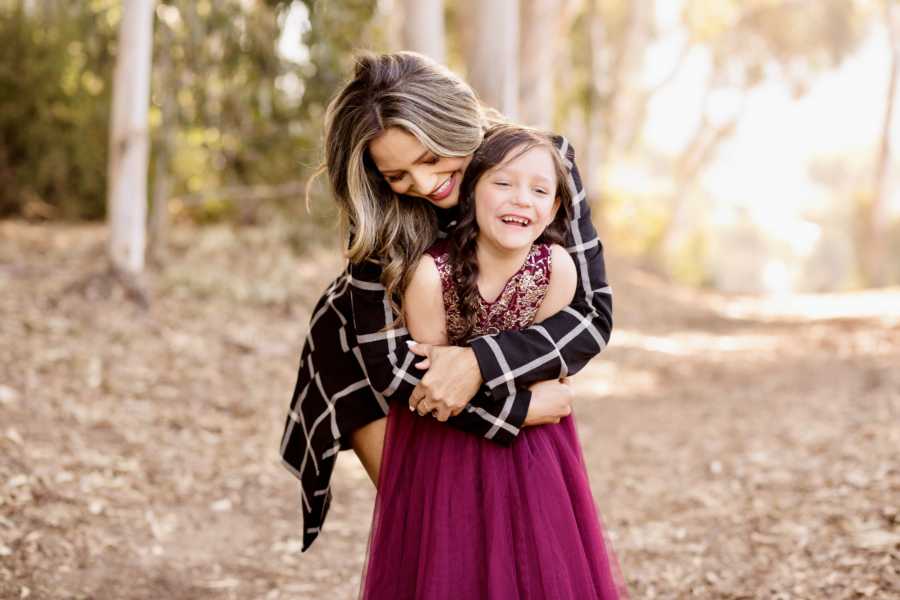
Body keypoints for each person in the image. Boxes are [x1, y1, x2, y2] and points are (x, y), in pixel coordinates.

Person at [279, 52, 613, 553]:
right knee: (432, 536)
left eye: (432, 159)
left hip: (488, 351)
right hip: (370, 363)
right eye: (398, 175)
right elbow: (393, 366)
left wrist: (482, 362)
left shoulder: (540, 164)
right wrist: (516, 409)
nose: (424, 184)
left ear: (458, 124)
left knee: (516, 539)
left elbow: (590, 314)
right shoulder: (380, 213)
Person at [358, 124, 627, 599]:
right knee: (451, 565)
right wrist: (517, 407)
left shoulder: (557, 269)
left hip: (536, 451)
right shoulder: (429, 275)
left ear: (556, 208)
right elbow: (432, 382)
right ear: (473, 191)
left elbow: (554, 362)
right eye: (502, 183)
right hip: (447, 444)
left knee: (539, 564)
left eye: (539, 190)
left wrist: (495, 372)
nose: (520, 198)